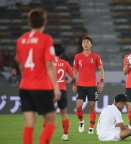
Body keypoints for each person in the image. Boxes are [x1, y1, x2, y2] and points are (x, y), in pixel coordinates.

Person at [16, 8, 61, 144]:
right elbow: (49, 64)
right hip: (41, 86)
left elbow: (21, 66)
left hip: (25, 87)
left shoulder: (21, 40)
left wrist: (27, 79)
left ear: (29, 23)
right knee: (51, 120)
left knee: (29, 123)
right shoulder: (46, 39)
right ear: (44, 23)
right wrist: (56, 86)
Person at [73, 36, 104, 134]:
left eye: (87, 42)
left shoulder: (96, 56)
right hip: (81, 85)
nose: (86, 44)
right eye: (84, 42)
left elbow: (101, 69)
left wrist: (101, 81)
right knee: (78, 106)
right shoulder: (78, 57)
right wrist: (74, 82)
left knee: (92, 106)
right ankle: (81, 121)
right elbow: (75, 70)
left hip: (92, 85)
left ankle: (91, 127)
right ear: (82, 45)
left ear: (91, 45)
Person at [53, 43, 76, 141]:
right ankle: (65, 135)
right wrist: (73, 81)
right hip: (62, 89)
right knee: (63, 112)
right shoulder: (65, 63)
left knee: (48, 112)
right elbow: (74, 77)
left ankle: (46, 135)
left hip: (50, 90)